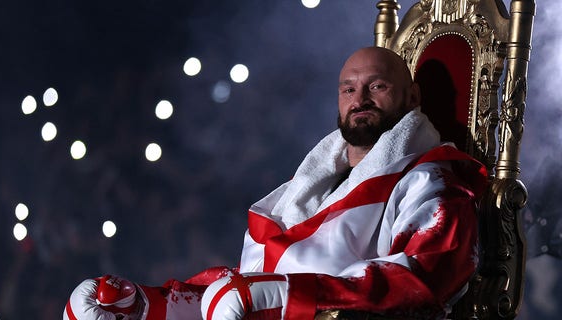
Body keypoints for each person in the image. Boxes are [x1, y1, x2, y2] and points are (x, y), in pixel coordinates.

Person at [63, 47, 487, 320]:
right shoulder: (309, 185)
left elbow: (426, 278)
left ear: (412, 98)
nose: (360, 100)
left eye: (377, 86)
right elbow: (249, 283)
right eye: (348, 89)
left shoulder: (431, 180)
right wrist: (150, 306)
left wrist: (286, 294)